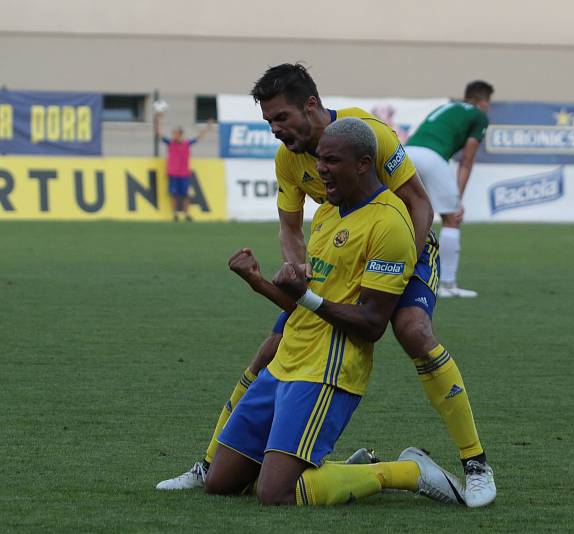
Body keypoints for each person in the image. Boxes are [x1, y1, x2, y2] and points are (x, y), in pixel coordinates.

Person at [156, 64, 495, 508]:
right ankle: (209, 463)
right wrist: (300, 277)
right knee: (272, 347)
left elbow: (417, 203)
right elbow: (290, 227)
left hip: (403, 246)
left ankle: (474, 463)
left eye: (281, 118)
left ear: (311, 106)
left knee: (413, 331)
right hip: (336, 256)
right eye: (268, 122)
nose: (275, 130)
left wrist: (390, 277)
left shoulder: (370, 135)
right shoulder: (289, 160)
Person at [203, 118, 465, 506]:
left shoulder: (389, 223)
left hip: (327, 371)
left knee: (275, 493)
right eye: (320, 159)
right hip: (286, 362)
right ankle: (330, 468)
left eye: (332, 160)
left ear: (363, 163)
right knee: (220, 482)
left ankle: (407, 471)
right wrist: (258, 281)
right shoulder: (327, 213)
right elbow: (303, 306)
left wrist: (306, 296)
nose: (320, 168)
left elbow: (372, 324)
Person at [406, 81, 494, 297]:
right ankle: (447, 285)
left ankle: (399, 276)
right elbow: (467, 159)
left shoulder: (447, 108)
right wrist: (458, 200)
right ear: (481, 101)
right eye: (488, 102)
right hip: (431, 157)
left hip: (406, 153)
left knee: (407, 216)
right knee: (452, 219)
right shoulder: (479, 116)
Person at [154, 112, 214, 222]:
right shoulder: (170, 143)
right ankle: (175, 214)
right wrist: (158, 119)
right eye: (173, 134)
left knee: (186, 195)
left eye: (175, 133)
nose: (173, 135)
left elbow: (199, 137)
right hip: (173, 173)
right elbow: (159, 133)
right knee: (174, 194)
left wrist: (208, 127)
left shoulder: (187, 143)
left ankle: (186, 214)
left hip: (184, 174)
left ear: (180, 134)